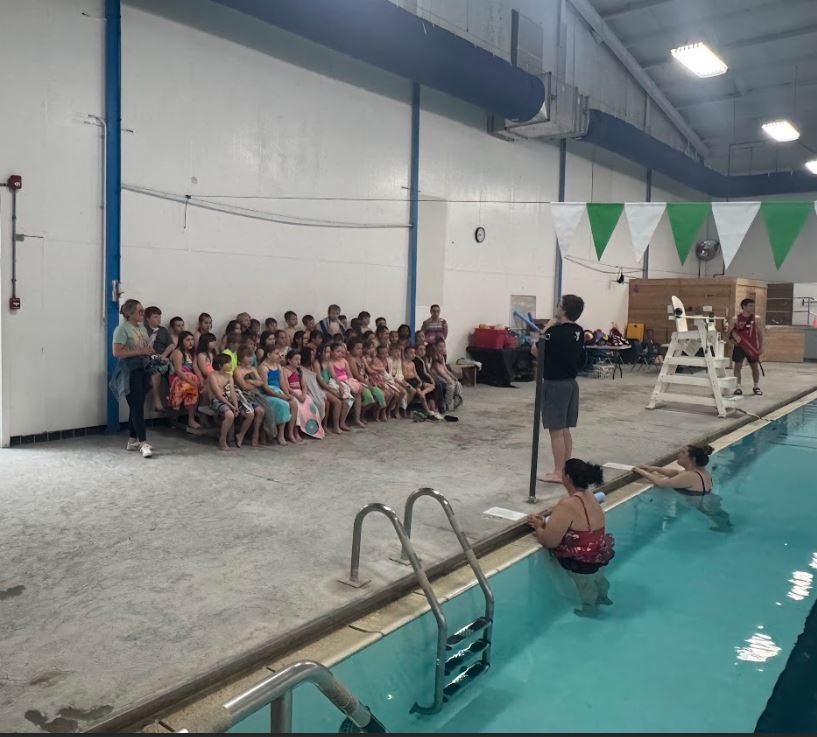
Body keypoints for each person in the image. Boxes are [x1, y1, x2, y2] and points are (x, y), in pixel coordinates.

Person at [528, 459, 615, 617]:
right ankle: (603, 597)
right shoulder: (591, 496)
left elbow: (549, 541)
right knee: (598, 580)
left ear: (567, 478)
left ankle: (590, 611)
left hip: (582, 560)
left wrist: (539, 527)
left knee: (584, 587)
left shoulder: (567, 504)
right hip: (601, 553)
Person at [532, 294, 586, 484]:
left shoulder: (553, 333)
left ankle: (557, 472)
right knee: (564, 429)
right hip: (571, 383)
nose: (556, 306)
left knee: (555, 429)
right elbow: (582, 360)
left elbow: (536, 350)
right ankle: (565, 470)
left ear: (563, 310)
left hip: (555, 384)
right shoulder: (579, 331)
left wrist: (547, 327)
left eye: (559, 305)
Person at [634, 445, 732, 532]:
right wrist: (654, 468)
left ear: (692, 459)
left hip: (702, 503)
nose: (679, 454)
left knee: (713, 516)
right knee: (716, 515)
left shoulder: (690, 476)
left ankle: (725, 529)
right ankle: (726, 526)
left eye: (683, 453)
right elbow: (676, 473)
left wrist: (639, 470)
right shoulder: (700, 472)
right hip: (708, 500)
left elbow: (660, 483)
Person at [110, 299, 155, 458]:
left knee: (138, 404)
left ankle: (132, 440)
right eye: (140, 311)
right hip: (130, 370)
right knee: (136, 406)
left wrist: (148, 351)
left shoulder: (142, 328)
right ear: (130, 313)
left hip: (143, 368)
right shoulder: (121, 329)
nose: (143, 314)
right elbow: (117, 353)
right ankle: (143, 442)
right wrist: (140, 351)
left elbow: (143, 346)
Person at [207, 353, 256, 451]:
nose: (230, 365)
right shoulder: (212, 375)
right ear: (221, 365)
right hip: (217, 400)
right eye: (228, 363)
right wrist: (231, 406)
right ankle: (222, 440)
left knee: (250, 414)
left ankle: (240, 435)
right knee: (230, 415)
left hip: (230, 399)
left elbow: (232, 392)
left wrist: (236, 406)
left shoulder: (229, 376)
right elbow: (218, 394)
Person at [259, 347, 299, 444]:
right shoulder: (263, 367)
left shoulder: (278, 366)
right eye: (276, 353)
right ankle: (280, 435)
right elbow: (265, 387)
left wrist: (287, 394)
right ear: (268, 355)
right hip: (267, 394)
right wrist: (281, 396)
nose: (279, 356)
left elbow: (282, 383)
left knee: (293, 403)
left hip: (278, 392)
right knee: (283, 404)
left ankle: (290, 432)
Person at [284, 350, 325, 439]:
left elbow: (304, 385)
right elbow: (287, 387)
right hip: (293, 394)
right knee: (298, 409)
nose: (298, 361)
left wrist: (303, 395)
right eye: (296, 359)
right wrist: (298, 396)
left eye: (299, 359)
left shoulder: (299, 371)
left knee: (312, 407)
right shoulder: (285, 371)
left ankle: (310, 429)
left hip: (301, 394)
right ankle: (295, 431)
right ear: (289, 360)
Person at [230, 346, 267, 447]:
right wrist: (254, 384)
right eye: (248, 356)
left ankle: (255, 434)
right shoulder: (237, 370)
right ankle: (241, 435)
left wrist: (251, 381)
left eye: (251, 356)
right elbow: (243, 386)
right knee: (252, 413)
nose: (250, 359)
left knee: (261, 411)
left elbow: (261, 382)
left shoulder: (253, 369)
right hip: (243, 397)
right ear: (241, 357)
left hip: (255, 395)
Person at [728, 297, 763, 396]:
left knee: (755, 367)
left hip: (752, 347)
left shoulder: (756, 318)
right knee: (737, 367)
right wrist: (732, 343)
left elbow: (760, 334)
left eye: (753, 306)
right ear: (744, 306)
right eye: (751, 306)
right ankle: (738, 387)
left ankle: (756, 386)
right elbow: (729, 333)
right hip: (739, 347)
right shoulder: (735, 319)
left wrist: (760, 347)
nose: (753, 308)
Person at [314, 344, 351, 432]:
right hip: (321, 388)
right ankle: (334, 426)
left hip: (330, 386)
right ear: (320, 353)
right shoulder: (317, 363)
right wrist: (333, 391)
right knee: (337, 402)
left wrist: (340, 386)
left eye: (329, 352)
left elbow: (334, 377)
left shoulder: (329, 362)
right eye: (326, 352)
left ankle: (341, 423)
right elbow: (320, 381)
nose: (328, 354)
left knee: (345, 401)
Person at [168, 331, 202, 429]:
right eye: (188, 340)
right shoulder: (178, 352)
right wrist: (193, 382)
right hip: (177, 379)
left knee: (200, 386)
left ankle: (203, 418)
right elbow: (178, 372)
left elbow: (195, 368)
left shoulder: (192, 353)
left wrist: (200, 380)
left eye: (192, 340)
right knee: (193, 388)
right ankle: (190, 419)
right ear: (181, 341)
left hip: (189, 378)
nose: (191, 342)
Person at [144, 306, 174, 412]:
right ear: (148, 318)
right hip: (148, 357)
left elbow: (171, 345)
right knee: (156, 371)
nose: (159, 320)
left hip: (162, 357)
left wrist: (164, 355)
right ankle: (157, 402)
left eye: (159, 317)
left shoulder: (163, 330)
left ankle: (173, 399)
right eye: (155, 317)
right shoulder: (143, 330)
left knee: (174, 370)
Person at [329, 342, 366, 428]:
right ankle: (341, 423)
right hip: (337, 382)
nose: (340, 354)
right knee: (347, 400)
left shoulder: (344, 361)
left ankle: (357, 419)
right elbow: (334, 376)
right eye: (337, 351)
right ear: (332, 352)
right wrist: (341, 385)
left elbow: (349, 373)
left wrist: (353, 383)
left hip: (347, 381)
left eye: (342, 352)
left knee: (357, 394)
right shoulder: (331, 362)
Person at [403, 345, 439, 418]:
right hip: (409, 381)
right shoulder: (403, 363)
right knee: (422, 397)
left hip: (415, 381)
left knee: (432, 386)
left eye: (414, 353)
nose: (413, 355)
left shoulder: (412, 363)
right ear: (405, 354)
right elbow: (404, 376)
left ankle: (424, 393)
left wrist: (420, 382)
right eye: (411, 353)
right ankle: (427, 410)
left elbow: (416, 374)